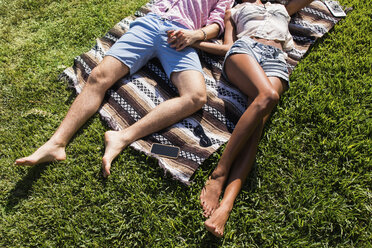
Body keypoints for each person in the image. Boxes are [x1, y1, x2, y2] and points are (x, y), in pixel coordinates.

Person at [14, 0, 234, 178]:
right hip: (150, 24)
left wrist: (196, 35)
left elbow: (217, 24)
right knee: (99, 76)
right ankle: (56, 143)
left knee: (196, 96)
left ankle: (121, 137)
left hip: (181, 36)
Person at [193, 0, 314, 237]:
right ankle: (219, 173)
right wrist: (197, 43)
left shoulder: (282, 7)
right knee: (268, 95)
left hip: (276, 59)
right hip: (245, 50)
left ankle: (226, 206)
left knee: (256, 129)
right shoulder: (234, 10)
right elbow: (228, 45)